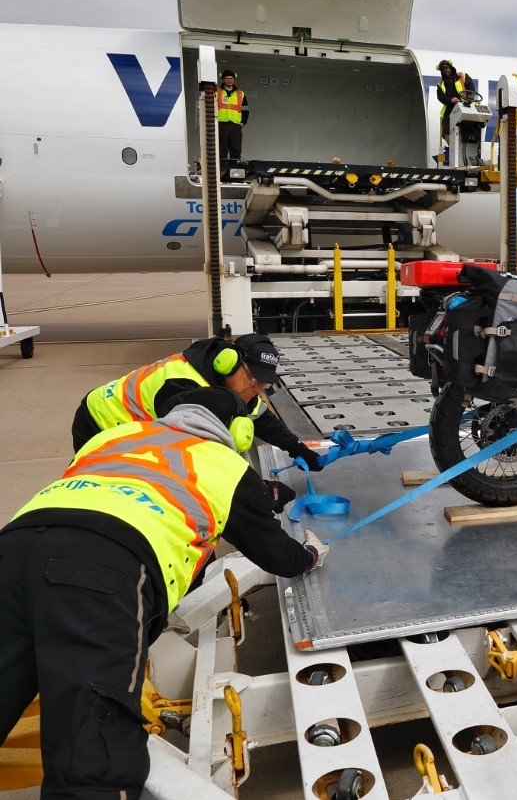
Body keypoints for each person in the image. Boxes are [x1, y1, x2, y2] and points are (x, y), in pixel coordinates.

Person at [0, 387, 328, 798]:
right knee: (92, 743)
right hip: (105, 567)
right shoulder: (225, 465)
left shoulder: (114, 437)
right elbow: (278, 555)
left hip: (15, 546)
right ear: (237, 431)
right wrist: (311, 555)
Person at [71, 333, 324, 471]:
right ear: (229, 362)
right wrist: (259, 492)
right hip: (101, 420)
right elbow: (193, 458)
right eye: (254, 378)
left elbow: (260, 418)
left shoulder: (236, 386)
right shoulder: (183, 385)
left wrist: (297, 449)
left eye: (264, 383)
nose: (257, 388)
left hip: (132, 420)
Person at [435, 59, 476, 155]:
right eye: (443, 69)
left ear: (451, 67)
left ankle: (464, 148)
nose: (445, 70)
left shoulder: (463, 76)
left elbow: (471, 90)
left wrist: (467, 99)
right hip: (450, 107)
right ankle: (454, 151)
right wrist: (450, 100)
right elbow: (441, 97)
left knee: (467, 125)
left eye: (447, 68)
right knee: (445, 130)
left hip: (465, 105)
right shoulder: (440, 84)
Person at [216, 68, 249, 161]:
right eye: (227, 78)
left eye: (231, 78)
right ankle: (221, 169)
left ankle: (235, 169)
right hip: (221, 123)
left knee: (236, 148)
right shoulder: (217, 92)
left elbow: (246, 109)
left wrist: (243, 122)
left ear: (234, 79)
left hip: (235, 125)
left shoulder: (240, 93)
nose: (229, 80)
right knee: (221, 149)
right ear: (223, 79)